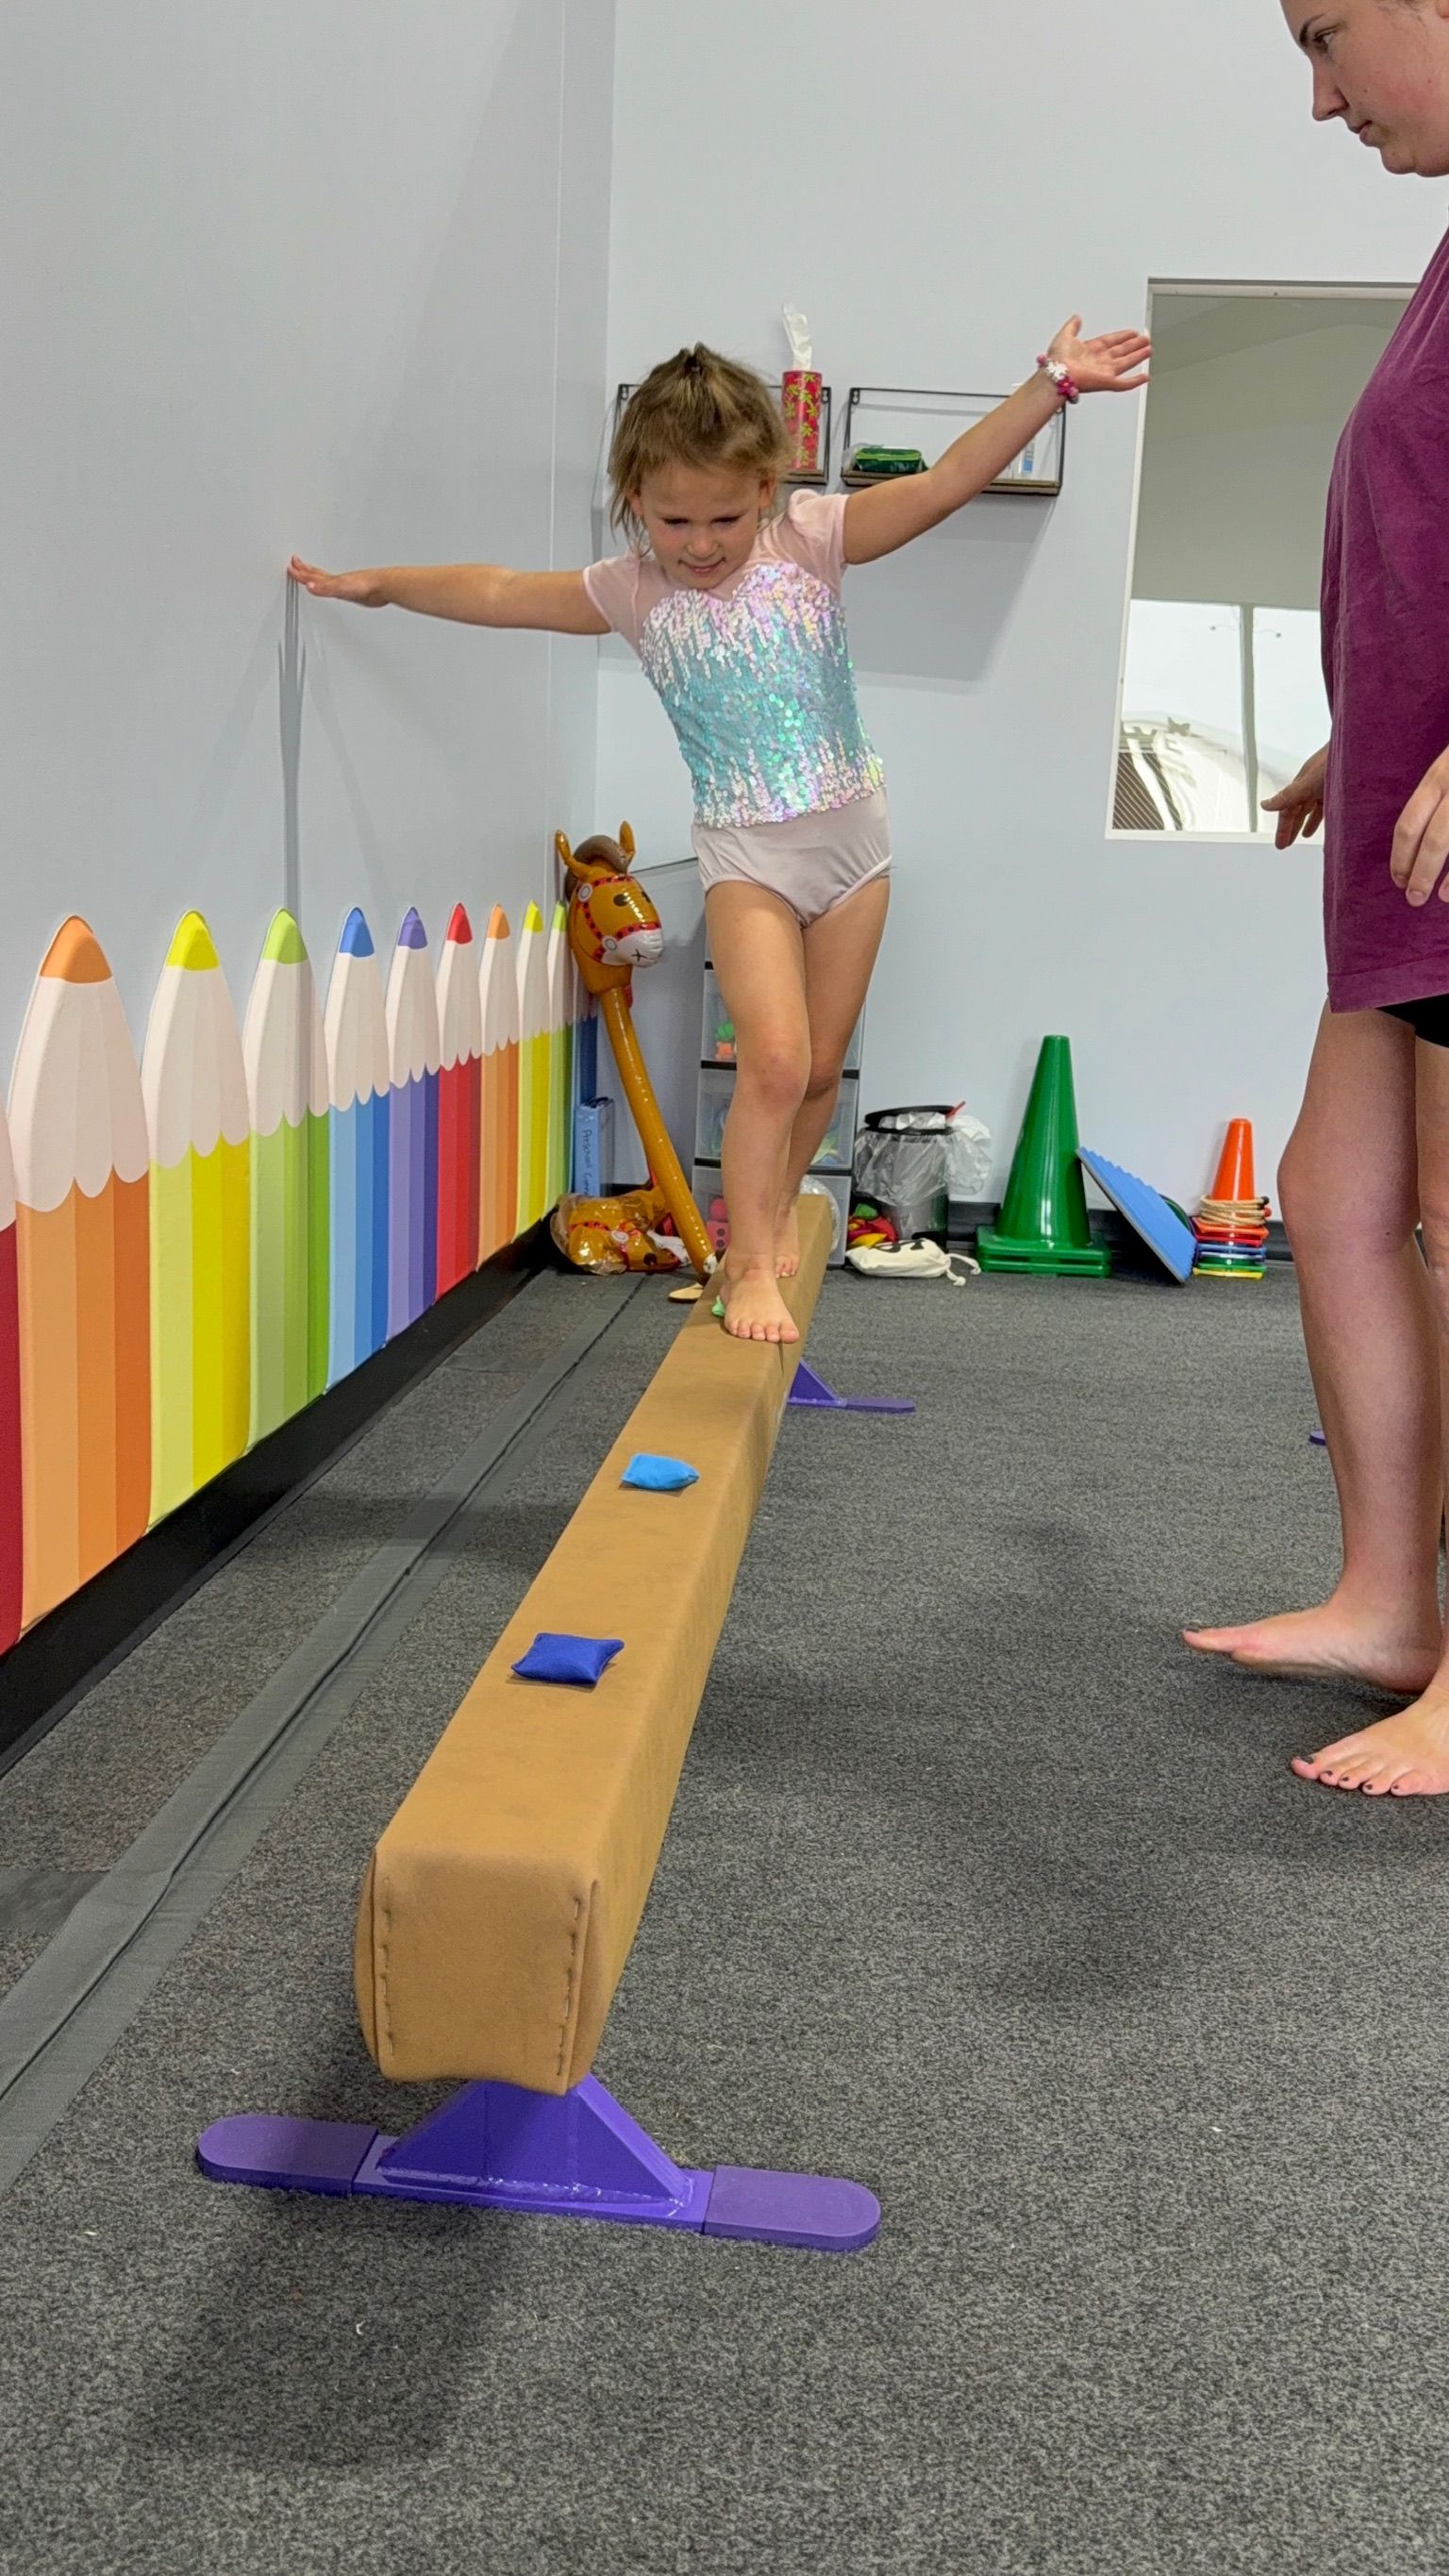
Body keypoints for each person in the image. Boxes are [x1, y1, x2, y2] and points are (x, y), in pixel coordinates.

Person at [291, 325, 1148, 1342]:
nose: (700, 544)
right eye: (673, 520)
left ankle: (775, 1210)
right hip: (746, 856)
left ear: (771, 484)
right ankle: (744, 1262)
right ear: (633, 503)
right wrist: (379, 585)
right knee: (774, 1063)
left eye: (726, 518)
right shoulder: (633, 591)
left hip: (856, 845)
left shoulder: (812, 540)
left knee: (823, 1071)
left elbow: (946, 483)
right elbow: (497, 590)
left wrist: (1049, 386)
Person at [1186, 0, 1449, 1794]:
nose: (1320, 93)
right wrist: (1356, 744)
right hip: (1402, 816)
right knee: (1334, 1196)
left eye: (1330, 33)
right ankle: (1388, 1602)